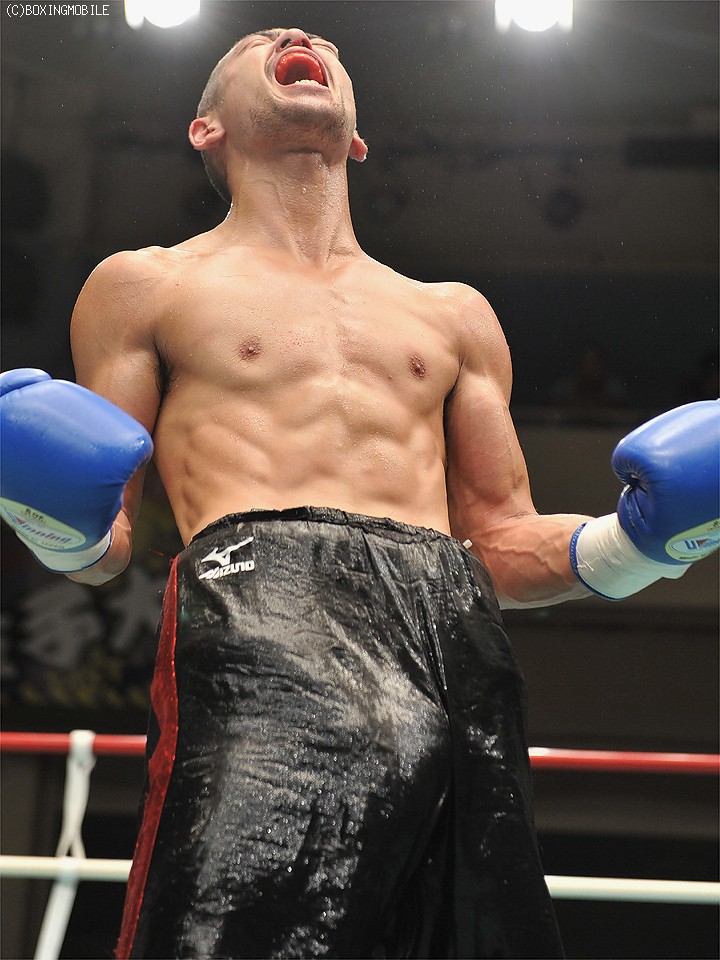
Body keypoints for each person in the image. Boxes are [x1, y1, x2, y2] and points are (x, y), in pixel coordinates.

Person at [1, 27, 718, 960]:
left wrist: (642, 545)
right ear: (206, 126)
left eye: (321, 44)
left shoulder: (454, 314)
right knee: (228, 925)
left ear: (359, 137)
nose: (297, 36)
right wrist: (50, 517)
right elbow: (109, 539)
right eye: (258, 40)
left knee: (476, 936)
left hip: (452, 630)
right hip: (264, 612)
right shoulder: (145, 286)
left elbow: (501, 543)